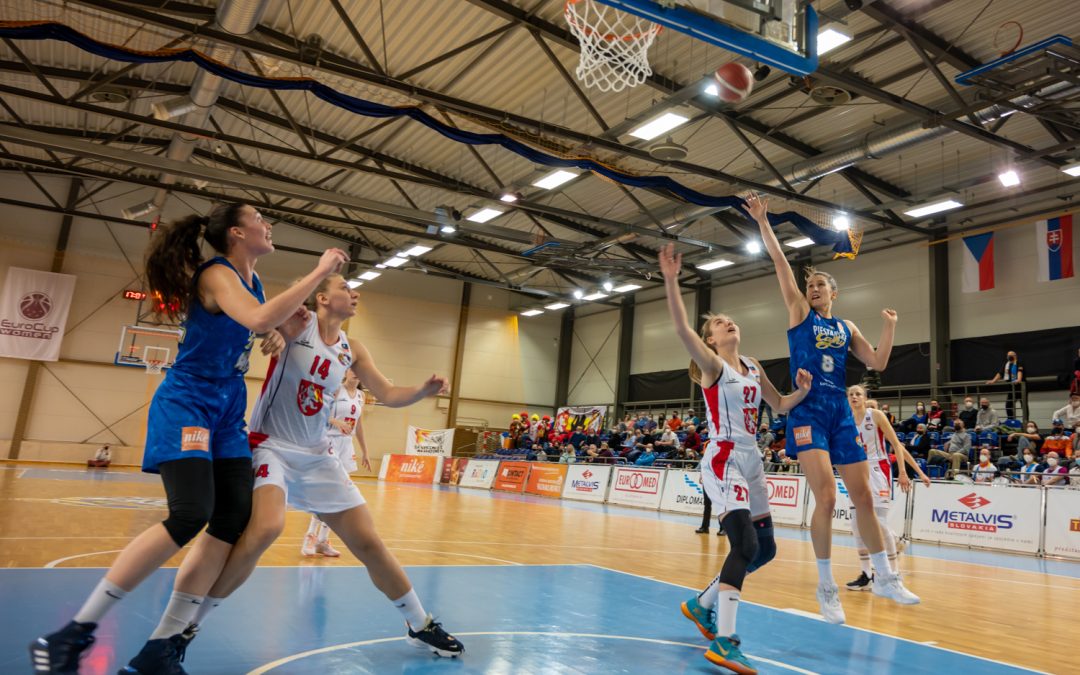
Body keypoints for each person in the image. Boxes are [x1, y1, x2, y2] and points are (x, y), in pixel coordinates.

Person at [30, 203, 349, 674]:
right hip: (188, 404)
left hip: (225, 412)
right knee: (190, 513)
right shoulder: (216, 274)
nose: (269, 225)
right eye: (261, 219)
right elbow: (259, 319)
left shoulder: (252, 282)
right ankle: (74, 631)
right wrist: (319, 270)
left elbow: (263, 324)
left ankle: (162, 646)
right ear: (238, 233)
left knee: (233, 517)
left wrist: (282, 335)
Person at [196, 274, 463, 661]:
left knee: (369, 542)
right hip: (272, 446)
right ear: (321, 297)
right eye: (345, 288)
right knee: (267, 528)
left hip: (318, 455)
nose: (354, 294)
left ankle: (419, 624)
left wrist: (422, 391)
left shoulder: (352, 349)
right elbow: (257, 318)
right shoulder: (296, 321)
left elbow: (387, 393)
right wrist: (270, 331)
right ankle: (192, 623)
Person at [748, 191, 918, 625]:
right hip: (808, 409)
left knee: (862, 495)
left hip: (840, 410)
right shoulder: (800, 314)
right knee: (825, 497)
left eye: (820, 284)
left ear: (834, 292)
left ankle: (884, 576)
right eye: (809, 286)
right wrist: (765, 224)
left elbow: (876, 362)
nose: (812, 288)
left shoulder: (846, 325)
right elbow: (780, 266)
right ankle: (825, 587)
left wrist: (889, 326)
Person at [661, 242, 812, 673]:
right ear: (711, 339)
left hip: (753, 460)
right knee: (743, 543)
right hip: (723, 457)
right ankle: (725, 641)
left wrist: (801, 389)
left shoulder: (751, 364)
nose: (728, 323)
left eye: (730, 320)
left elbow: (780, 405)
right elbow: (680, 330)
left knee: (764, 550)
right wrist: (672, 281)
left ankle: (700, 603)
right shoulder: (712, 366)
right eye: (719, 323)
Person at [844, 385, 929, 592]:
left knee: (879, 524)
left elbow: (899, 447)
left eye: (858, 394)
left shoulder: (876, 416)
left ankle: (893, 573)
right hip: (857, 470)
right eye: (851, 394)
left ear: (866, 398)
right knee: (856, 524)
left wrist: (904, 471)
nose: (855, 397)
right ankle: (866, 574)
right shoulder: (845, 419)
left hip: (878, 469)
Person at [301, 369, 368, 558]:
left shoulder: (362, 396)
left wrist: (365, 450)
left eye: (358, 369)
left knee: (337, 495)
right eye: (352, 369)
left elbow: (359, 424)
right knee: (325, 492)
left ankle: (323, 540)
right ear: (346, 371)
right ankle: (310, 536)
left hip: (347, 446)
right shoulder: (336, 389)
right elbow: (318, 413)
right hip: (329, 441)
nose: (356, 373)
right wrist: (336, 422)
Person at [987, 350, 1024, 418]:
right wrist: (993, 381)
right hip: (1011, 388)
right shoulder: (1006, 364)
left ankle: (1026, 421)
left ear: (1015, 356)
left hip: (1021, 387)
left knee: (1023, 406)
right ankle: (1011, 421)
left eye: (1011, 355)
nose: (1009, 356)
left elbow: (1019, 371)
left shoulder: (1019, 363)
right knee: (1008, 406)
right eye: (1008, 355)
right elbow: (1000, 374)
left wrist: (1018, 379)